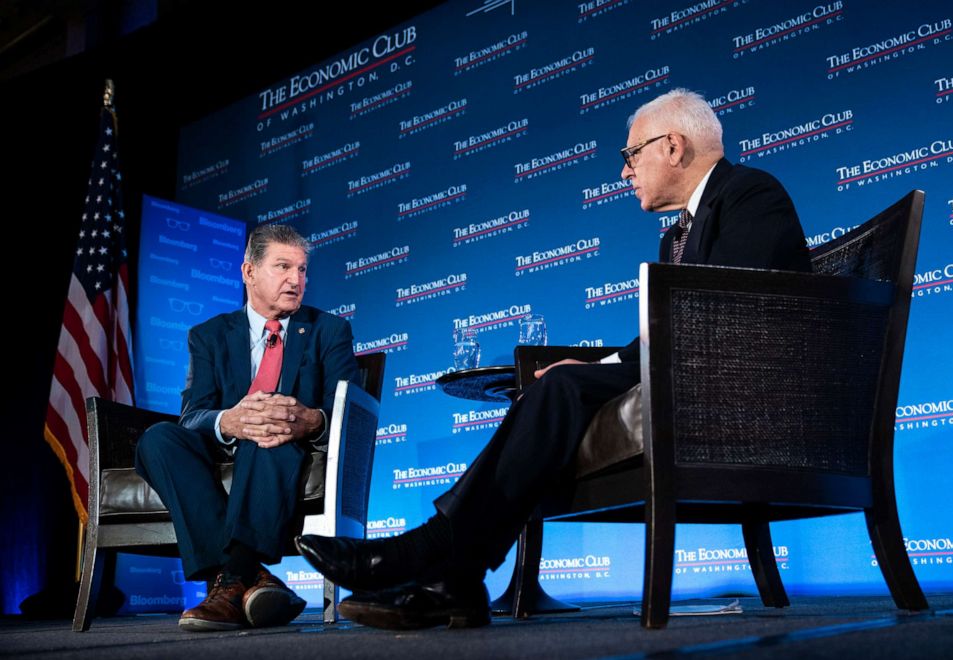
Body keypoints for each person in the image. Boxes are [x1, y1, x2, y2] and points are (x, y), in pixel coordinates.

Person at [296, 88, 811, 630]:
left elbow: (719, 316)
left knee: (561, 390)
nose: (625, 172)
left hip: (740, 400)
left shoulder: (750, 193)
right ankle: (454, 576)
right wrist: (595, 368)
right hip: (688, 377)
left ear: (673, 147)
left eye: (631, 155)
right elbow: (675, 327)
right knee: (556, 389)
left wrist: (597, 373)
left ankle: (432, 555)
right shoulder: (676, 237)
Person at [135, 224, 359, 631]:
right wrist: (229, 420)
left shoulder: (329, 330)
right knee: (158, 439)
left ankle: (229, 583)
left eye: (303, 270)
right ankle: (251, 577)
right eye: (283, 267)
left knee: (267, 432)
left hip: (287, 445)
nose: (297, 279)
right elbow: (193, 414)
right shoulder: (209, 335)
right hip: (224, 444)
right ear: (249, 272)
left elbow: (346, 411)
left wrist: (310, 420)